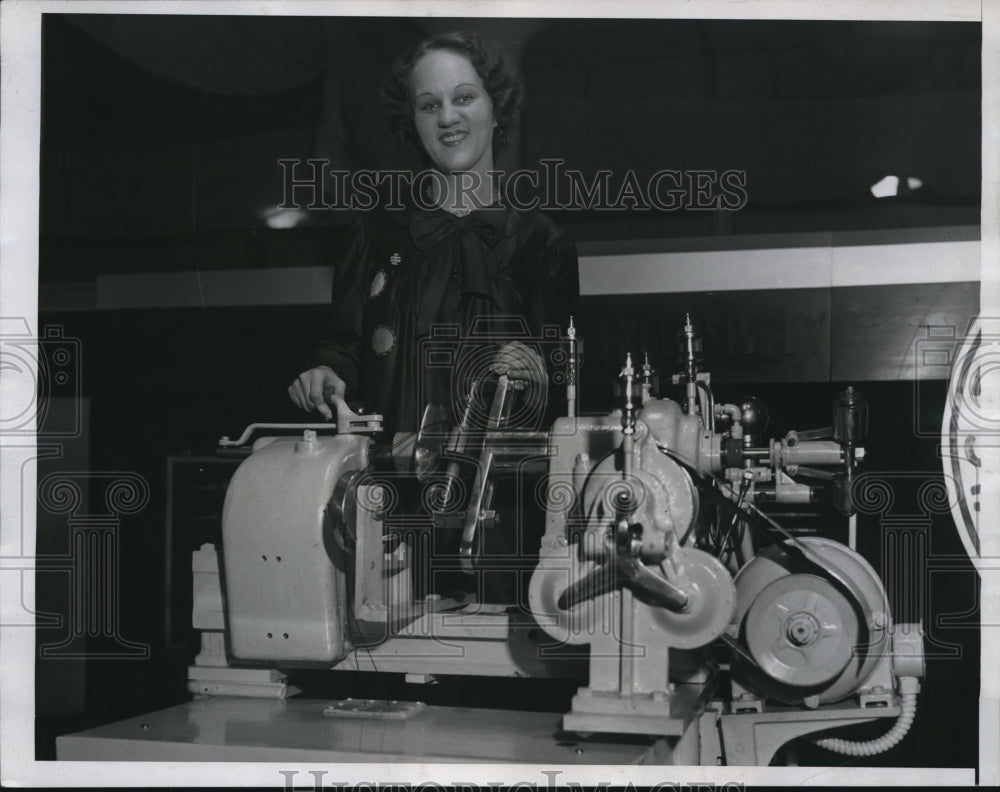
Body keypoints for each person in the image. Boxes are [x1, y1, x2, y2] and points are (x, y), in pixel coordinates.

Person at [288, 31, 579, 439]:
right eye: (429, 105)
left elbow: (572, 387)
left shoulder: (543, 244)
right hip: (388, 487)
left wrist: (541, 373)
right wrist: (326, 374)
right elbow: (345, 350)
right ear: (412, 122)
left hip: (499, 490)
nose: (446, 117)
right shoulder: (371, 235)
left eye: (463, 98)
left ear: (496, 109)